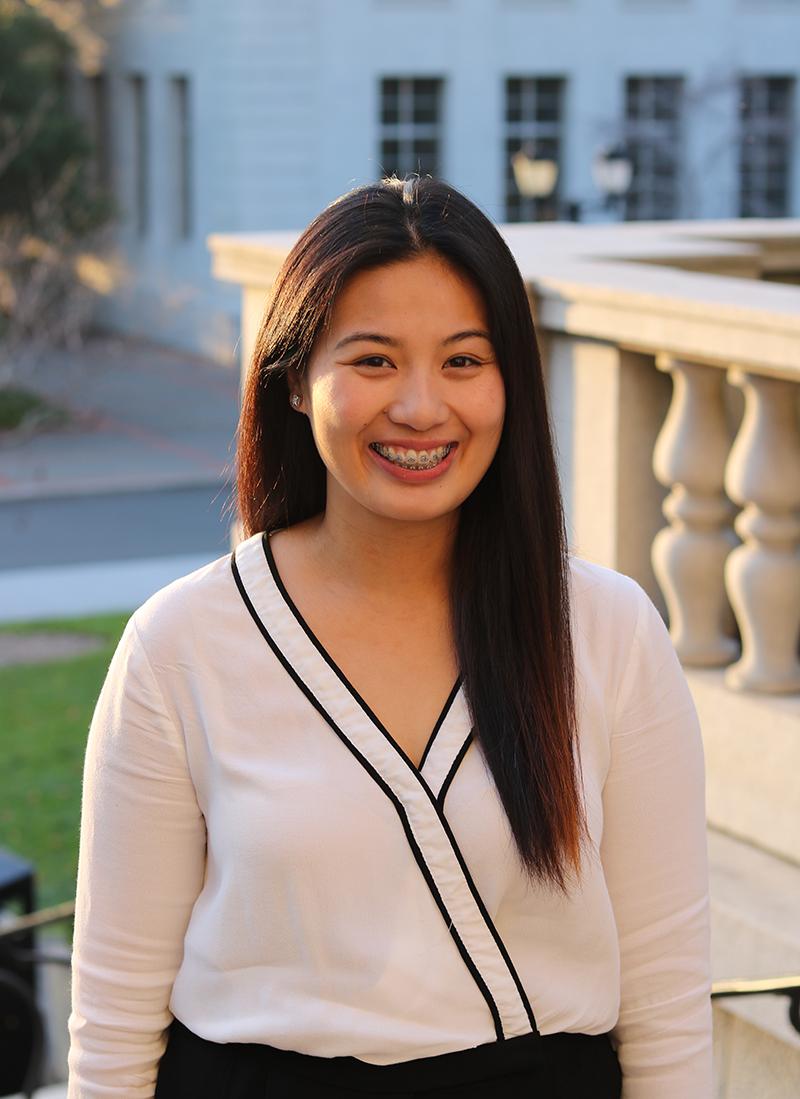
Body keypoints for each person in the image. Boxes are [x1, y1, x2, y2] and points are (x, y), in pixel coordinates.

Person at [67, 175, 712, 1098]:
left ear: (511, 384)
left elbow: (667, 998)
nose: (419, 407)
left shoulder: (608, 632)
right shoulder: (182, 643)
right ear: (294, 378)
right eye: (372, 361)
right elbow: (115, 1017)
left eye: (462, 361)